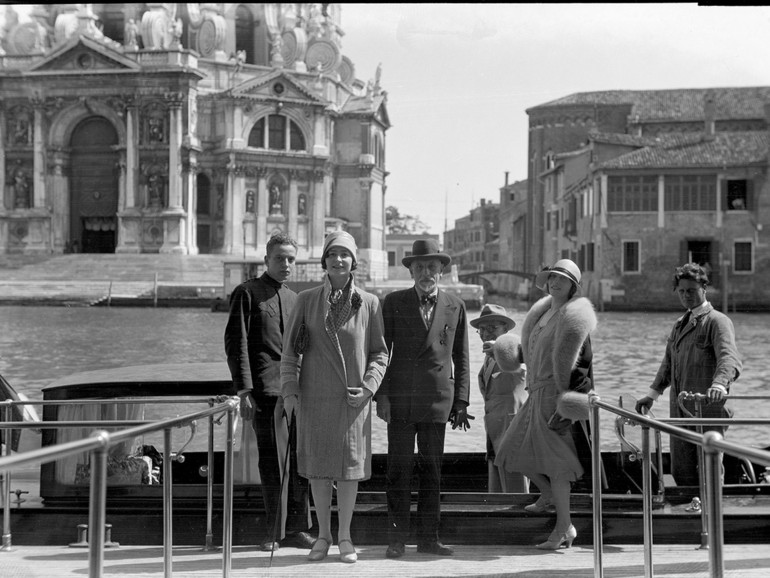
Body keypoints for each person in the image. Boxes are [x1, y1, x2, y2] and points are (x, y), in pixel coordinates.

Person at [281, 231, 388, 564]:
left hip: (352, 400)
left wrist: (369, 387)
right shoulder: (306, 299)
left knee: (348, 471)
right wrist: (290, 391)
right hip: (315, 397)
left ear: (353, 261)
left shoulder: (369, 303)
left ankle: (345, 537)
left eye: (345, 254)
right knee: (318, 470)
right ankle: (323, 536)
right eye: (333, 254)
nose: (339, 260)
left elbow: (379, 353)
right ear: (324, 261)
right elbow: (289, 355)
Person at [375, 238, 472, 559]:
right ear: (411, 271)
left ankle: (430, 539)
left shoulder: (455, 305)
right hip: (400, 401)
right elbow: (381, 353)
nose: (426, 272)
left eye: (432, 267)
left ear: (442, 271)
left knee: (432, 472)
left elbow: (462, 356)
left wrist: (462, 401)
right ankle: (397, 539)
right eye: (420, 267)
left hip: (437, 401)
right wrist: (382, 396)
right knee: (398, 471)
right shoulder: (393, 302)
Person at [495, 258, 597, 550]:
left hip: (555, 397)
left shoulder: (573, 318)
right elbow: (532, 355)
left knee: (558, 465)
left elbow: (582, 367)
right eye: (552, 278)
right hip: (535, 393)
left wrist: (569, 406)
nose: (554, 283)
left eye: (561, 280)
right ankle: (548, 495)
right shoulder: (541, 314)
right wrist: (504, 349)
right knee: (508, 450)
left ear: (572, 286)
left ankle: (564, 528)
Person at [224, 233, 314, 552]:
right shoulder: (247, 293)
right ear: (266, 260)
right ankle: (273, 532)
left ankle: (297, 529)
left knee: (300, 460)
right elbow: (237, 345)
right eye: (280, 258)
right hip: (264, 393)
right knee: (270, 462)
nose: (286, 264)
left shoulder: (296, 298)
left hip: (296, 391)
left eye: (291, 259)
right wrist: (244, 391)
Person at [635, 263, 741, 487]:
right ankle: (690, 514)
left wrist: (719, 385)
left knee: (708, 468)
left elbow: (729, 358)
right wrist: (652, 395)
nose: (686, 296)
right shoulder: (680, 325)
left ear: (704, 288)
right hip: (681, 410)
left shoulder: (717, 322)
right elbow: (668, 363)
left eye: (691, 291)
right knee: (681, 470)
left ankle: (712, 515)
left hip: (707, 410)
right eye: (682, 291)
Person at [470, 304, 529, 493]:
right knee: (496, 494)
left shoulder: (516, 351)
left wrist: (500, 348)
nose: (486, 333)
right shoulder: (488, 358)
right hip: (494, 432)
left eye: (493, 328)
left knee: (516, 492)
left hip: (513, 432)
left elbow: (525, 356)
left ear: (506, 329)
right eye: (482, 329)